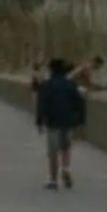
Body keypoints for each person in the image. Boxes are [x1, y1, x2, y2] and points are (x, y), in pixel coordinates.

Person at [35, 55, 85, 188]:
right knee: (66, 147)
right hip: (69, 121)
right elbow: (79, 104)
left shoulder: (46, 85)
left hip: (53, 121)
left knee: (53, 151)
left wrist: (39, 122)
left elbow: (42, 104)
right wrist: (81, 121)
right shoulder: (72, 85)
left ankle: (53, 180)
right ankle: (66, 168)